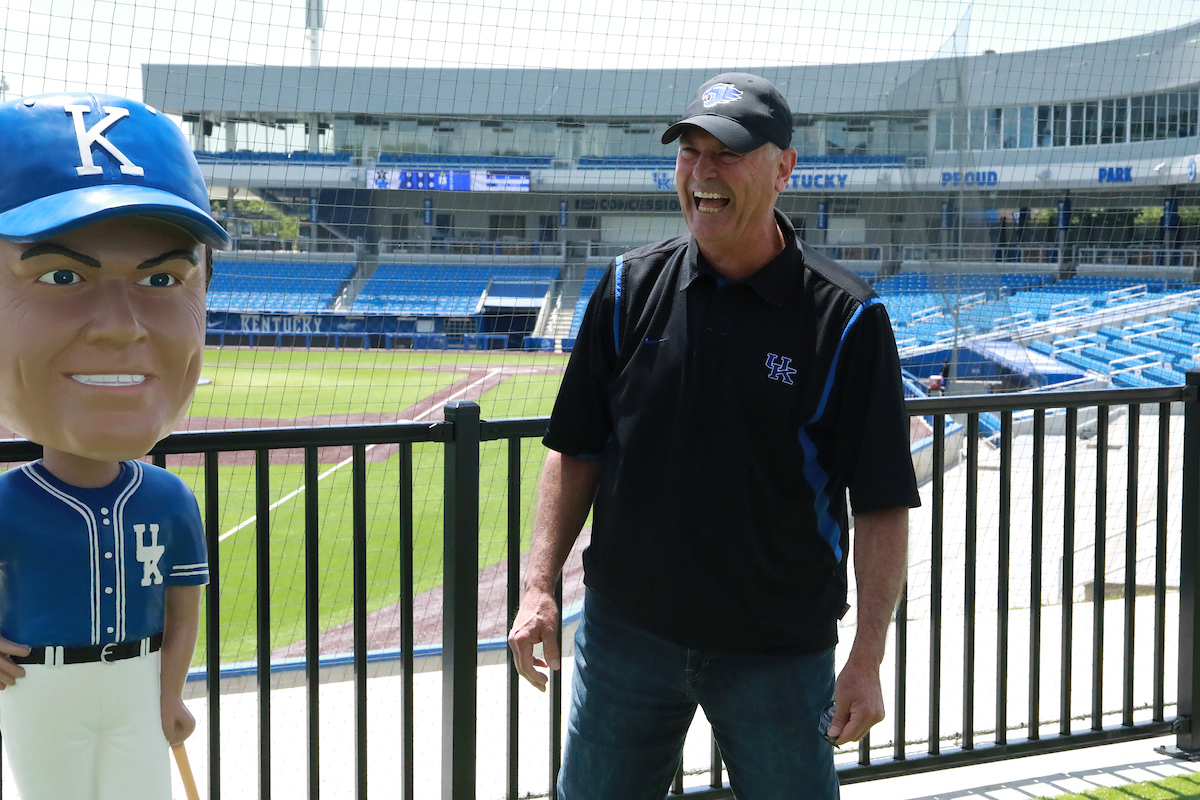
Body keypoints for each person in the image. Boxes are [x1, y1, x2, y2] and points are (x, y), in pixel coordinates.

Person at [508, 73, 920, 800]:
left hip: (778, 653)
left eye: (726, 153)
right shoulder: (627, 289)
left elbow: (882, 501)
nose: (702, 172)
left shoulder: (848, 320)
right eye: (689, 152)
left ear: (783, 168)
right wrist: (540, 585)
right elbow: (576, 449)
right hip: (627, 637)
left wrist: (867, 657)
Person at [0, 91, 232, 799]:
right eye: (61, 276)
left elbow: (185, 600)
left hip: (137, 680)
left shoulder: (167, 498)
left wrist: (169, 694)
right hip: (40, 685)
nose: (120, 326)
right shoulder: (10, 499)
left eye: (162, 279)